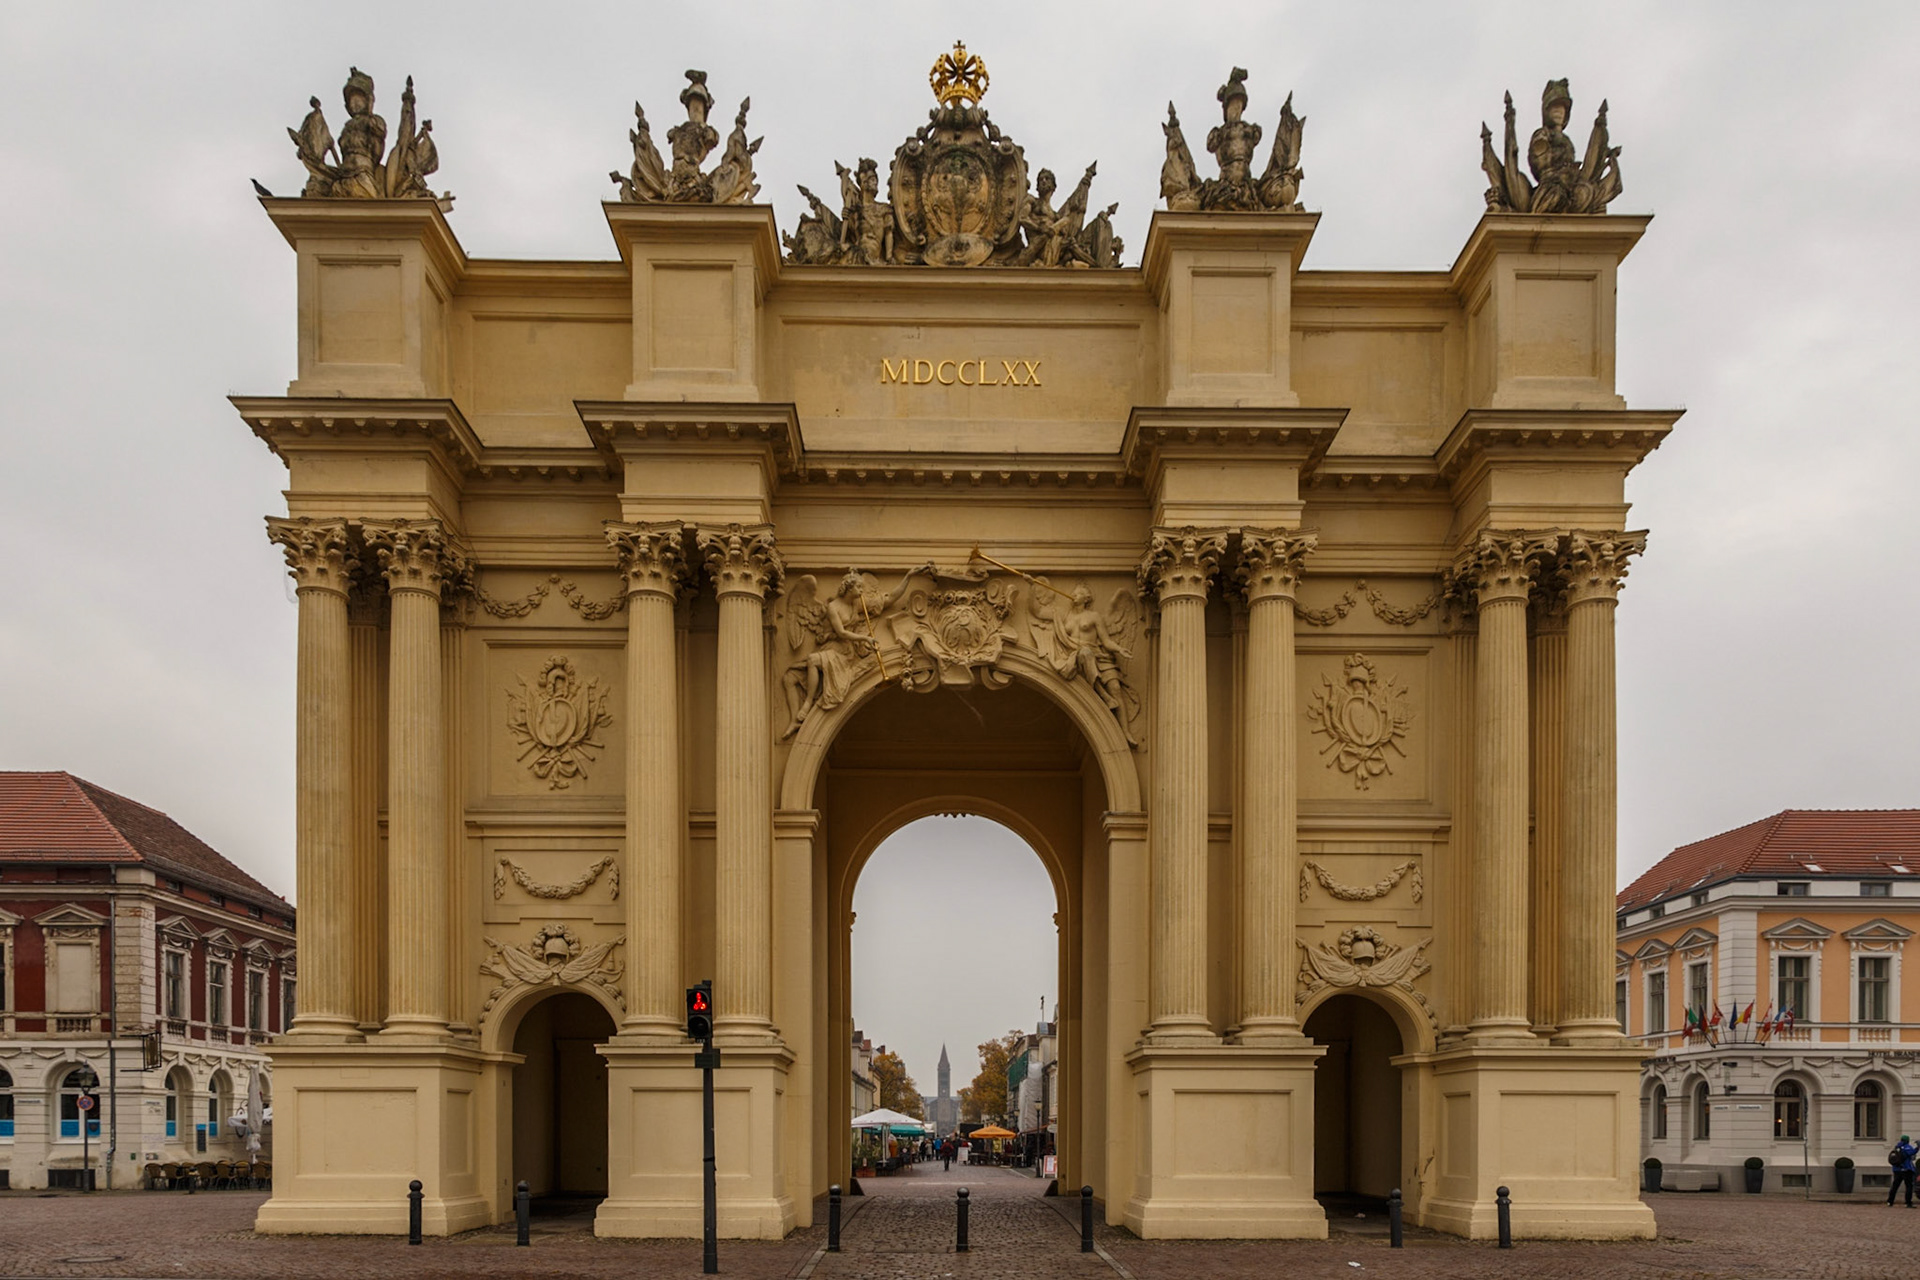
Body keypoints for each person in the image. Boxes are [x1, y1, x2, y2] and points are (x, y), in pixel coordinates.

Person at [1890, 1134, 1917, 1207]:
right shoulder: (1907, 1147)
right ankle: (1908, 1202)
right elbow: (1911, 1153)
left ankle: (1890, 1201)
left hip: (1897, 1169)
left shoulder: (1897, 1147)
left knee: (1895, 1186)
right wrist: (1917, 1148)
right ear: (1907, 1141)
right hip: (1906, 1169)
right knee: (1908, 1186)